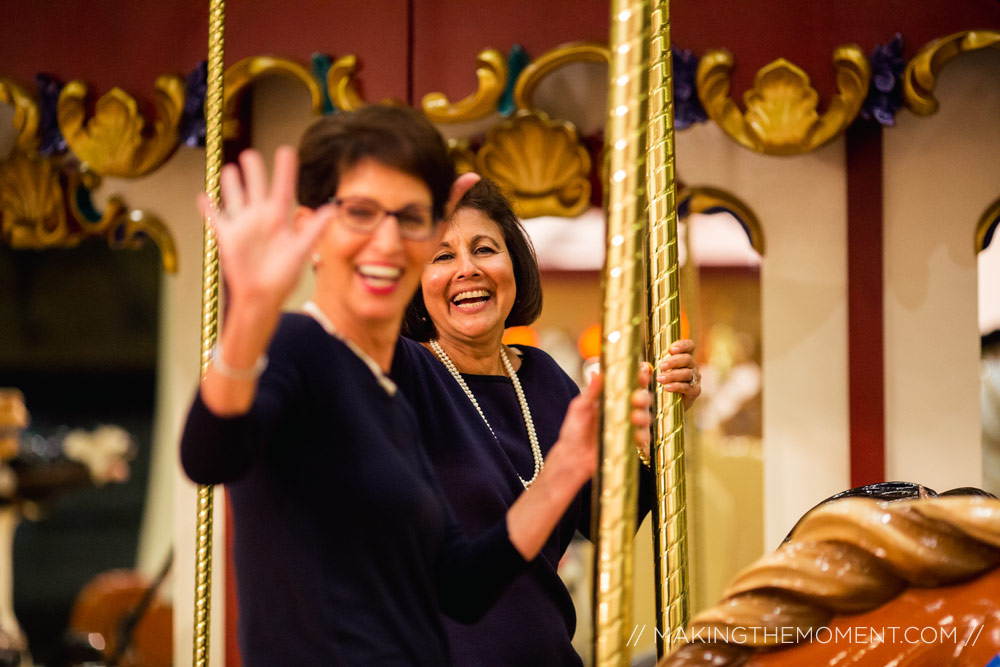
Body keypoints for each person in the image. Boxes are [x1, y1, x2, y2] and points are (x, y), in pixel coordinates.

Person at [178, 106, 651, 665]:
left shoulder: (391, 404)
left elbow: (463, 585)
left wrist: (568, 466)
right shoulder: (298, 345)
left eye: (409, 218)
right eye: (360, 214)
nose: (386, 241)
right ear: (313, 232)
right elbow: (210, 454)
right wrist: (251, 314)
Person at [394, 178, 701, 666]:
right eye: (442, 256)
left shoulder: (544, 378)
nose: (468, 268)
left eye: (484, 249)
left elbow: (603, 521)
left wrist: (652, 433)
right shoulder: (403, 371)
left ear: (514, 264)